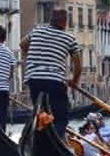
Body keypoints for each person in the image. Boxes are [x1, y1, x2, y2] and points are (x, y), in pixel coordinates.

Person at [20, 9, 81, 137]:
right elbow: (78, 65)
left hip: (34, 79)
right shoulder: (69, 39)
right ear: (65, 22)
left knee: (40, 112)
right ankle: (57, 139)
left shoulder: (37, 31)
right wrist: (74, 82)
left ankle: (38, 136)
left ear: (51, 20)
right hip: (55, 80)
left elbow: (22, 44)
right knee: (60, 116)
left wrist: (33, 55)